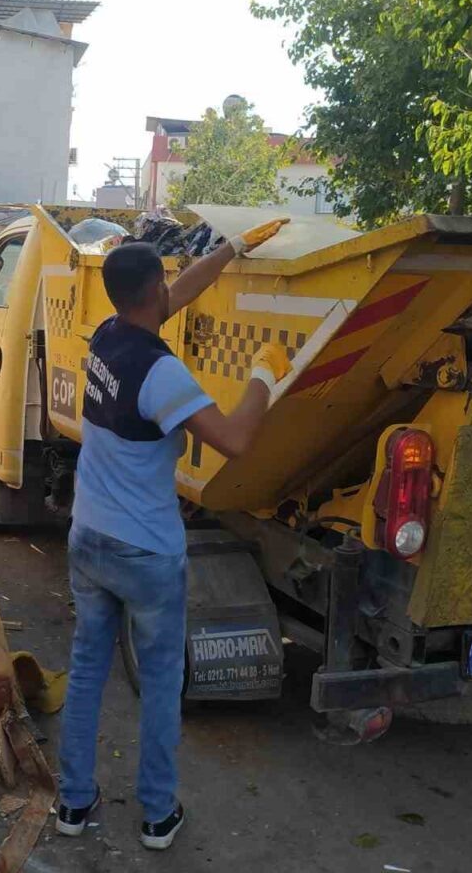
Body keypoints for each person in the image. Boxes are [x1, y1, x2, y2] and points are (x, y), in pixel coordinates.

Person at [55, 222, 292, 851]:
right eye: (164, 282)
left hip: (89, 540)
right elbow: (236, 440)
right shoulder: (160, 374)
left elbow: (175, 295)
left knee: (85, 672)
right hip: (146, 554)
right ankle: (158, 815)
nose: (171, 291)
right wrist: (265, 378)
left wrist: (230, 251)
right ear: (150, 292)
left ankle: (73, 804)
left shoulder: (106, 337)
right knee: (161, 685)